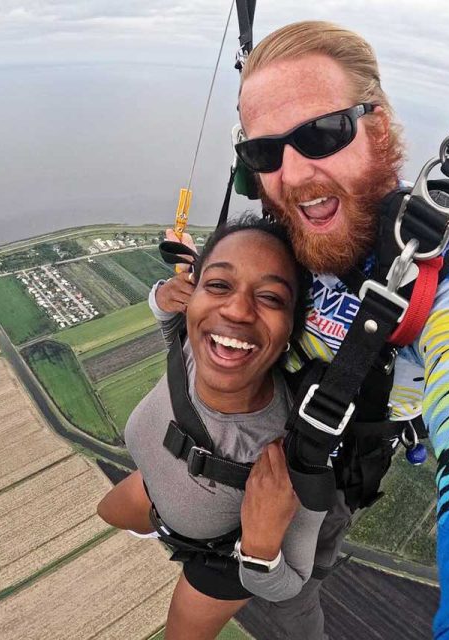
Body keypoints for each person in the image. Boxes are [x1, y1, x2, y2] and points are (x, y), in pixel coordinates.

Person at [150, 20, 449, 640]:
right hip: (249, 433)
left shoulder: (445, 284)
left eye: (322, 133)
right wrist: (172, 299)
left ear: (379, 126)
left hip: (327, 476)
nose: (292, 175)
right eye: (264, 153)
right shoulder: (287, 228)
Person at [97, 217, 325, 640]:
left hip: (223, 559)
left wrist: (260, 549)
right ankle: (172, 520)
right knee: (108, 513)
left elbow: (290, 582)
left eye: (271, 297)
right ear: (194, 296)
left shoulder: (288, 451)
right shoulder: (190, 343)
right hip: (157, 488)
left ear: (293, 326)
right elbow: (169, 319)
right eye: (218, 286)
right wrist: (163, 296)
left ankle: (184, 530)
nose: (237, 310)